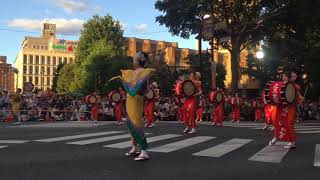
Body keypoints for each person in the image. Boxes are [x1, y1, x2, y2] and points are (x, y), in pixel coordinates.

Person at [114, 52, 155, 161]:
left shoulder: (143, 72)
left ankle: (144, 151)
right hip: (130, 99)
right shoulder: (134, 72)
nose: (133, 61)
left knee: (136, 122)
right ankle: (135, 147)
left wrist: (126, 84)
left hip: (136, 98)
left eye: (134, 59)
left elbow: (142, 89)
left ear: (139, 60)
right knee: (129, 122)